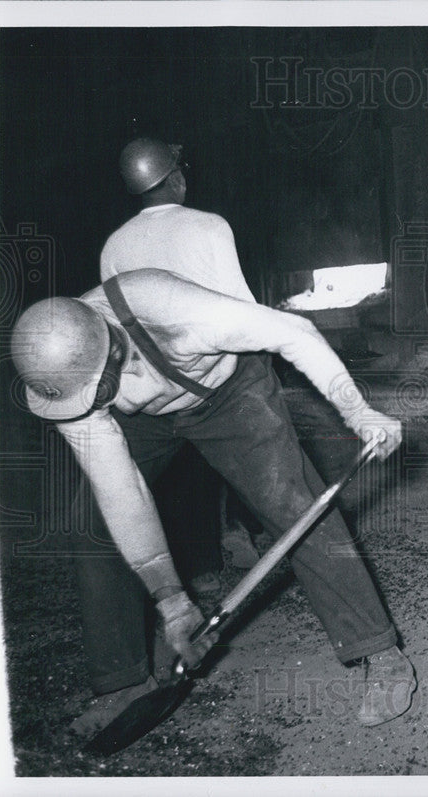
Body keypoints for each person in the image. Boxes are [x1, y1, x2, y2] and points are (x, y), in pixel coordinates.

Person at [10, 268, 417, 735]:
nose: (88, 406)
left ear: (114, 348)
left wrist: (357, 410)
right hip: (147, 420)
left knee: (291, 501)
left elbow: (296, 334)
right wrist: (173, 602)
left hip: (225, 390)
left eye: (97, 393)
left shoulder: (177, 316)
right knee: (96, 519)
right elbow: (123, 493)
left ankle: (379, 650)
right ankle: (122, 681)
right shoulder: (64, 377)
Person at [103, 137, 262, 591]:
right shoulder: (209, 227)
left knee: (181, 471)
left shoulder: (114, 246)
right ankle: (253, 527)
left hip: (159, 383)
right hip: (217, 371)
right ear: (176, 178)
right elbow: (240, 312)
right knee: (254, 443)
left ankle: (203, 565)